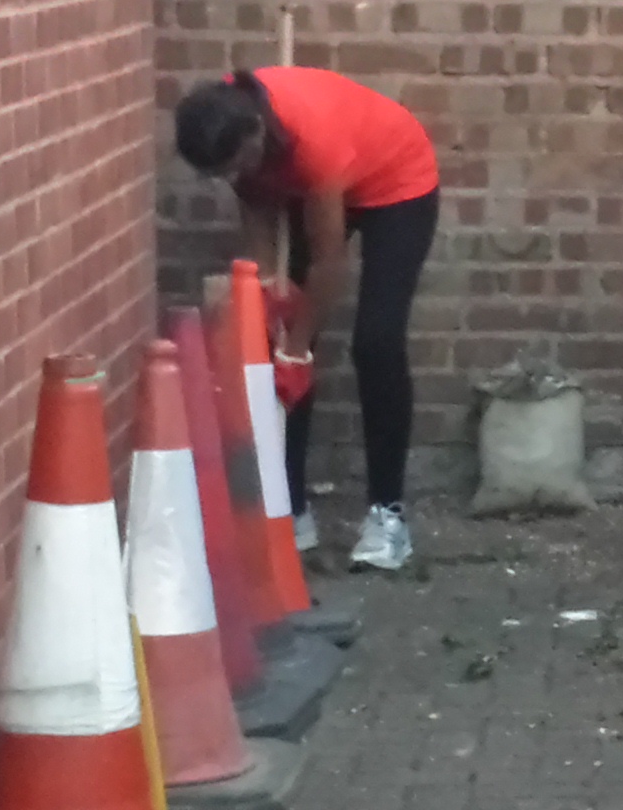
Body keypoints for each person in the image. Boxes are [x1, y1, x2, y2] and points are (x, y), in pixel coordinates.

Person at [172, 66, 442, 572]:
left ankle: (388, 516)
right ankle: (291, 509)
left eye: (239, 164)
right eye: (224, 173)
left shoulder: (310, 141)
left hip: (397, 182)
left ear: (257, 134)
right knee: (275, 340)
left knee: (375, 342)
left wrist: (298, 348)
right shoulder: (230, 137)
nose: (235, 177)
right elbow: (256, 221)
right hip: (316, 175)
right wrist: (267, 299)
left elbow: (328, 261)